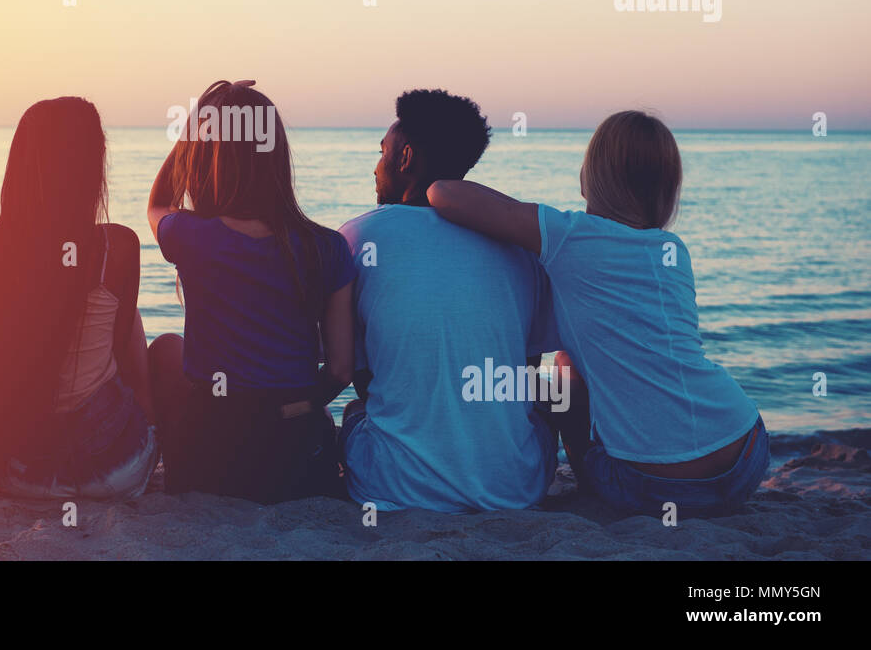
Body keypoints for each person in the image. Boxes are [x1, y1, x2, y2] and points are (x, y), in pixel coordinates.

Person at [427, 110, 767, 518]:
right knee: (576, 359)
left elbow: (444, 193)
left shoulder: (569, 236)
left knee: (552, 382)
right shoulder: (672, 250)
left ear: (590, 176)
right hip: (744, 451)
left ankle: (576, 480)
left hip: (654, 485)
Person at [0, 97, 157, 521]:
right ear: (92, 167)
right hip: (116, 471)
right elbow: (124, 359)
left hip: (22, 475)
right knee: (126, 320)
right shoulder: (119, 246)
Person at [339, 89, 562, 513]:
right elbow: (526, 378)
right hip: (514, 488)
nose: (375, 167)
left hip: (393, 488)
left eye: (382, 152)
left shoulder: (357, 238)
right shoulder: (520, 246)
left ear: (404, 159)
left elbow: (361, 378)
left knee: (352, 412)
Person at [147, 80, 354, 504]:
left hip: (212, 457)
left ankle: (168, 472)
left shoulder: (190, 235)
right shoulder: (328, 247)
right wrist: (294, 405)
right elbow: (340, 371)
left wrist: (196, 122)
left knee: (165, 350)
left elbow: (158, 202)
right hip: (294, 458)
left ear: (207, 159)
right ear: (276, 158)